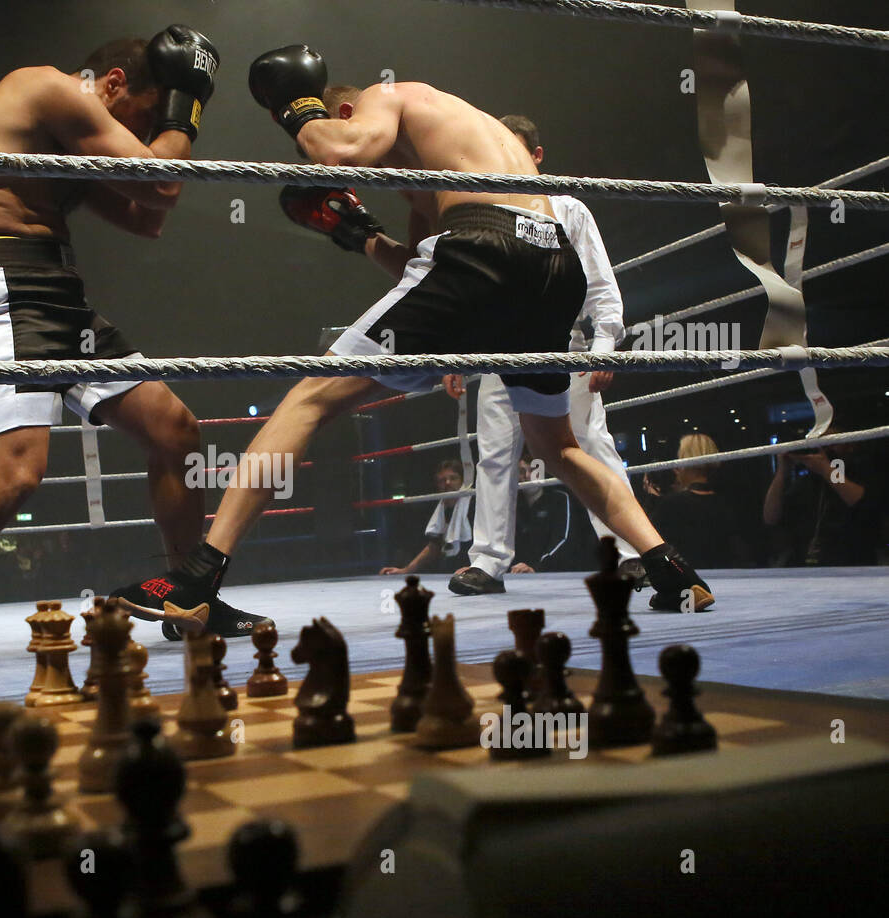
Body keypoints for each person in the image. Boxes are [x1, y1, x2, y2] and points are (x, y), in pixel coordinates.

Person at [110, 48, 713, 630]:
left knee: (311, 397)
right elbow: (421, 266)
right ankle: (673, 569)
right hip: (550, 265)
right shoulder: (458, 144)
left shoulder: (387, 97)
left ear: (347, 110)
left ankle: (197, 577)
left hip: (485, 247)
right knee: (560, 447)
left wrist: (296, 107)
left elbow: (341, 152)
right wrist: (357, 232)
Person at [0, 28, 268, 670]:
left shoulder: (69, 148)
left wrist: (170, 117)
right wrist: (186, 104)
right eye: (143, 116)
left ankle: (184, 598)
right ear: (112, 85)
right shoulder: (47, 87)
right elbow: (161, 183)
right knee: (15, 475)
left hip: (55, 288)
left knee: (175, 432)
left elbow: (149, 216)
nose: (140, 138)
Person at [447, 115, 644, 596]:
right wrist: (455, 354)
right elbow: (468, 291)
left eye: (514, 150)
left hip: (566, 346)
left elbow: (602, 287)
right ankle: (488, 562)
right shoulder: (483, 211)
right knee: (493, 454)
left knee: (592, 446)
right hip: (499, 350)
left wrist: (603, 350)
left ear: (536, 156)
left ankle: (629, 553)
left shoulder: (568, 210)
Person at [763, 430, 882, 566]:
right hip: (806, 565)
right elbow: (770, 517)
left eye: (831, 442)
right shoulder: (806, 482)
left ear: (850, 445)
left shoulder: (861, 472)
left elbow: (863, 505)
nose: (825, 448)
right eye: (821, 443)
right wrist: (782, 472)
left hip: (852, 562)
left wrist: (826, 470)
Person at [643, 433, 744, 569]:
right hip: (727, 573)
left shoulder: (671, 505)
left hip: (688, 578)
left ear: (684, 462)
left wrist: (653, 499)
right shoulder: (726, 501)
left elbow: (648, 540)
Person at [379, 460, 473, 575]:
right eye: (442, 480)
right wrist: (405, 570)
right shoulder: (440, 511)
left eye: (453, 478)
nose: (447, 483)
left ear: (462, 482)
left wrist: (476, 568)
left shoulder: (474, 506)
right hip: (450, 573)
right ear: (437, 485)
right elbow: (434, 546)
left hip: (474, 572)